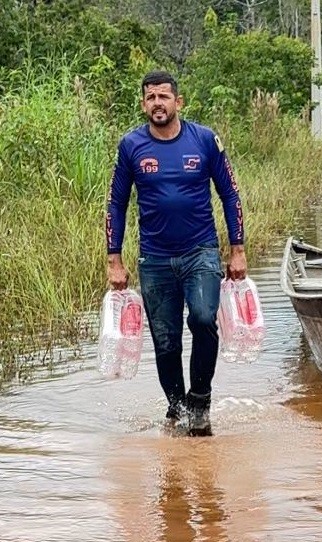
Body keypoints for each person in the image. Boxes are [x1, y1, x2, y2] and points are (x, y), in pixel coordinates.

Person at [105, 69, 248, 436]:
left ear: (178, 102)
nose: (157, 103)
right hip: (154, 259)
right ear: (143, 104)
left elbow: (230, 194)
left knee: (202, 318)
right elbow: (116, 203)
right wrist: (114, 259)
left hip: (200, 251)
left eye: (164, 97)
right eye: (150, 97)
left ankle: (199, 400)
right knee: (165, 342)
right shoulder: (131, 146)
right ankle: (177, 408)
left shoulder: (204, 140)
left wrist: (237, 250)